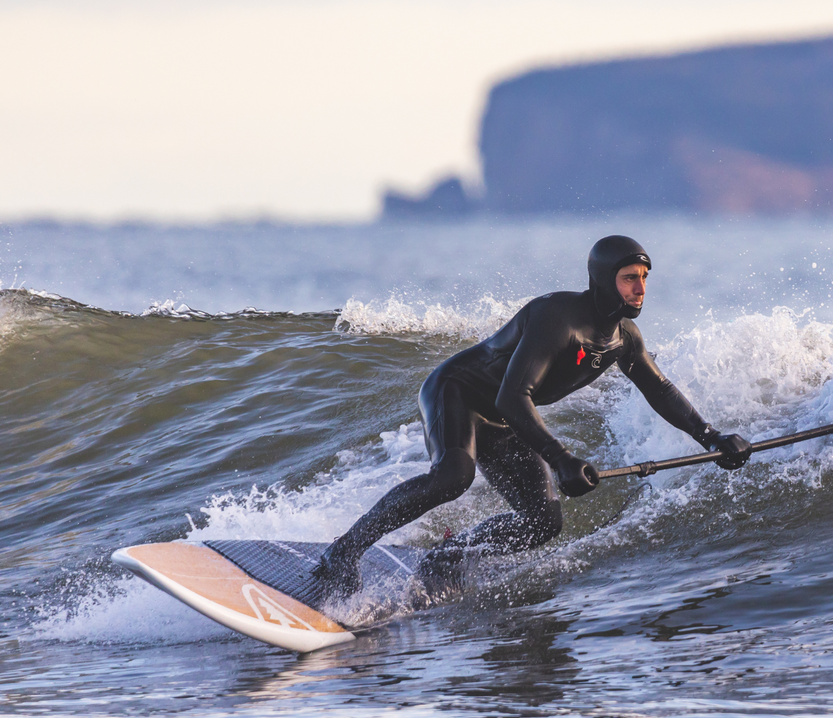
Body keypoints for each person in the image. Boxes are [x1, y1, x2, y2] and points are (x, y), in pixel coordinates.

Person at [310, 235, 751, 601]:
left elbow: (661, 390)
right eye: (629, 279)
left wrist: (711, 438)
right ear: (602, 280)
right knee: (453, 476)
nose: (640, 289)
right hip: (458, 391)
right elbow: (512, 396)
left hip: (505, 416)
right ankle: (343, 552)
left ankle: (449, 556)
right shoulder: (557, 319)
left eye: (644, 279)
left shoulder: (624, 339)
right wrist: (560, 458)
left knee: (544, 520)